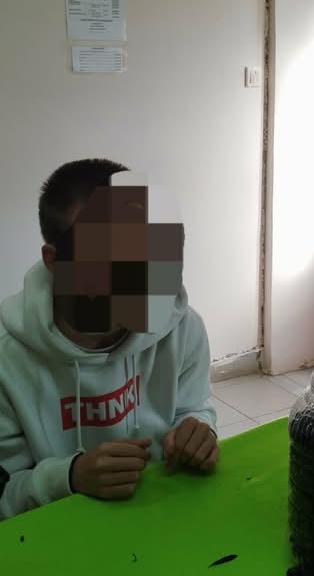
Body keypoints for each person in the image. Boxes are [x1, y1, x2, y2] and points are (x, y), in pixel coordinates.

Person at [0, 158, 219, 519]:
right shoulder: (8, 356)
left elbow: (194, 407)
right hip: (56, 533)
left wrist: (198, 431)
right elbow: (5, 493)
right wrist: (69, 478)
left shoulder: (180, 325)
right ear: (54, 260)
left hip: (163, 516)